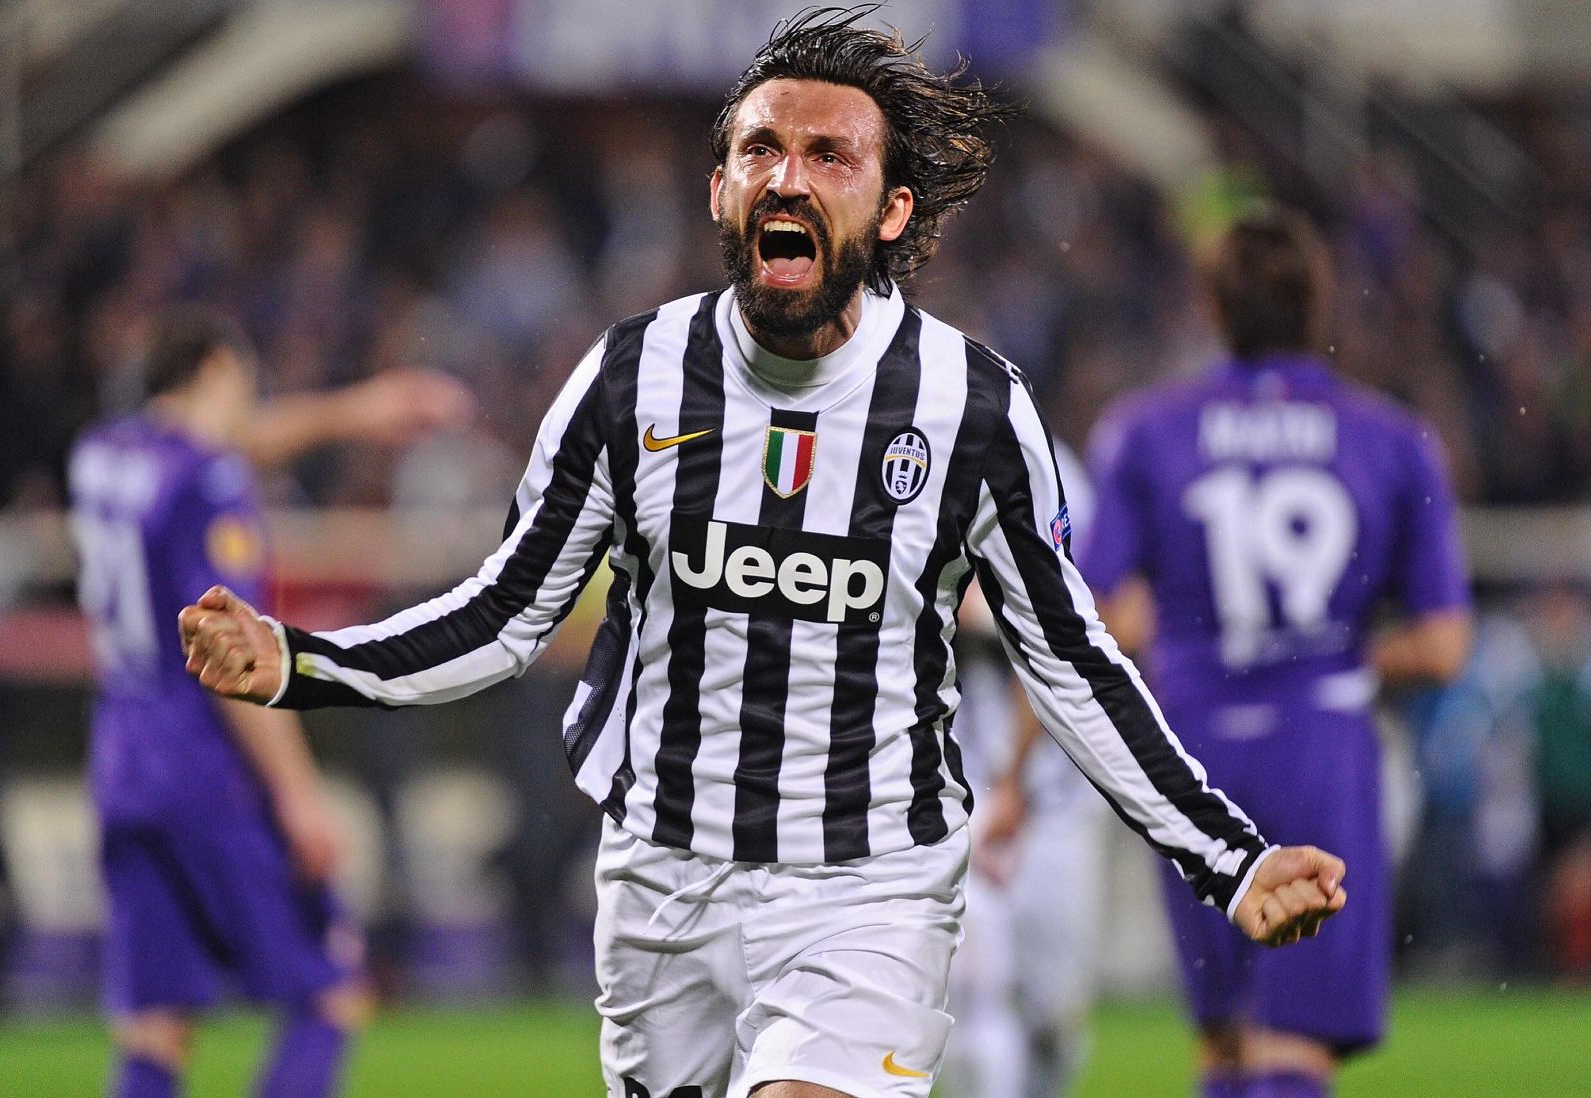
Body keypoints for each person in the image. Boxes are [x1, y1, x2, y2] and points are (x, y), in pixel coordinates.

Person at [179, 12, 1347, 1098]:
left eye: (830, 155)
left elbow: (1073, 662)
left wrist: (1230, 862)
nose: (789, 175)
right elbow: (507, 616)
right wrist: (302, 662)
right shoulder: (630, 379)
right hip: (659, 886)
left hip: (868, 882)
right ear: (720, 189)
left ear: (891, 210)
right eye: (761, 150)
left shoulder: (970, 410)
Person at [1080, 207, 1473, 1098]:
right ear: (1319, 309)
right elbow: (1445, 645)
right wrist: (1349, 659)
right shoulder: (1390, 437)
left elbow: (1095, 613)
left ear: (1214, 311)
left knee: (1224, 1038)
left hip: (1187, 754)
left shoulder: (1148, 430)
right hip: (1321, 745)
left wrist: (1188, 632)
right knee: (1293, 1042)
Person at [69, 307, 472, 1098]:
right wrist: (299, 799)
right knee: (331, 988)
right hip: (204, 770)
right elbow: (232, 662)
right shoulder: (211, 481)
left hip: (122, 763)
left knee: (155, 1024)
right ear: (219, 370)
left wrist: (358, 410)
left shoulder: (104, 454)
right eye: (245, 386)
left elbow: (233, 441)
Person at [941, 439, 1108, 1098]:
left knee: (1055, 1017)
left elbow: (1076, 629)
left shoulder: (1068, 478)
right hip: (952, 784)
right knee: (973, 1003)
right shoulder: (910, 450)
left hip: (1058, 795)